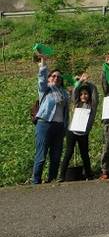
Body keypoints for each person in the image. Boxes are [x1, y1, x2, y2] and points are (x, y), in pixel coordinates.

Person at [32, 54, 70, 184]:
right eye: (53, 76)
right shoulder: (45, 90)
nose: (56, 78)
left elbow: (67, 111)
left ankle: (51, 179)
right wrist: (43, 63)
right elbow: (41, 79)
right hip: (44, 124)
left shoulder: (64, 93)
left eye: (59, 77)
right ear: (49, 78)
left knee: (56, 155)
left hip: (59, 127)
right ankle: (36, 181)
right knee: (41, 155)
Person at [59, 73, 99, 181]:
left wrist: (88, 82)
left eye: (86, 94)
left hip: (83, 133)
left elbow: (95, 91)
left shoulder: (92, 106)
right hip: (72, 132)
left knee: (84, 154)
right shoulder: (76, 103)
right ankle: (61, 175)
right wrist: (80, 81)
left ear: (89, 95)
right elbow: (75, 91)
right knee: (68, 153)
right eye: (82, 94)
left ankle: (89, 174)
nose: (83, 96)